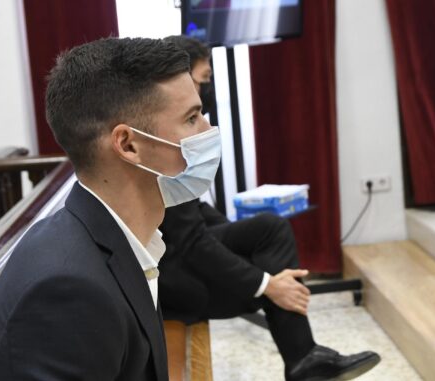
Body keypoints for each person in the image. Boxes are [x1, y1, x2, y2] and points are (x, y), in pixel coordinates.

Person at [0, 37, 222, 380]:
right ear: (128, 145)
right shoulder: (68, 290)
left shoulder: (118, 236)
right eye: (192, 119)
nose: (208, 130)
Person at [159, 35, 381, 381]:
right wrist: (266, 283)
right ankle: (301, 358)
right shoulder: (161, 145)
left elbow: (195, 213)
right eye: (204, 82)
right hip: (171, 284)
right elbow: (189, 242)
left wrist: (247, 255)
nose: (208, 96)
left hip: (178, 259)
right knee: (270, 246)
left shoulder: (169, 138)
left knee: (266, 234)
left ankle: (302, 358)